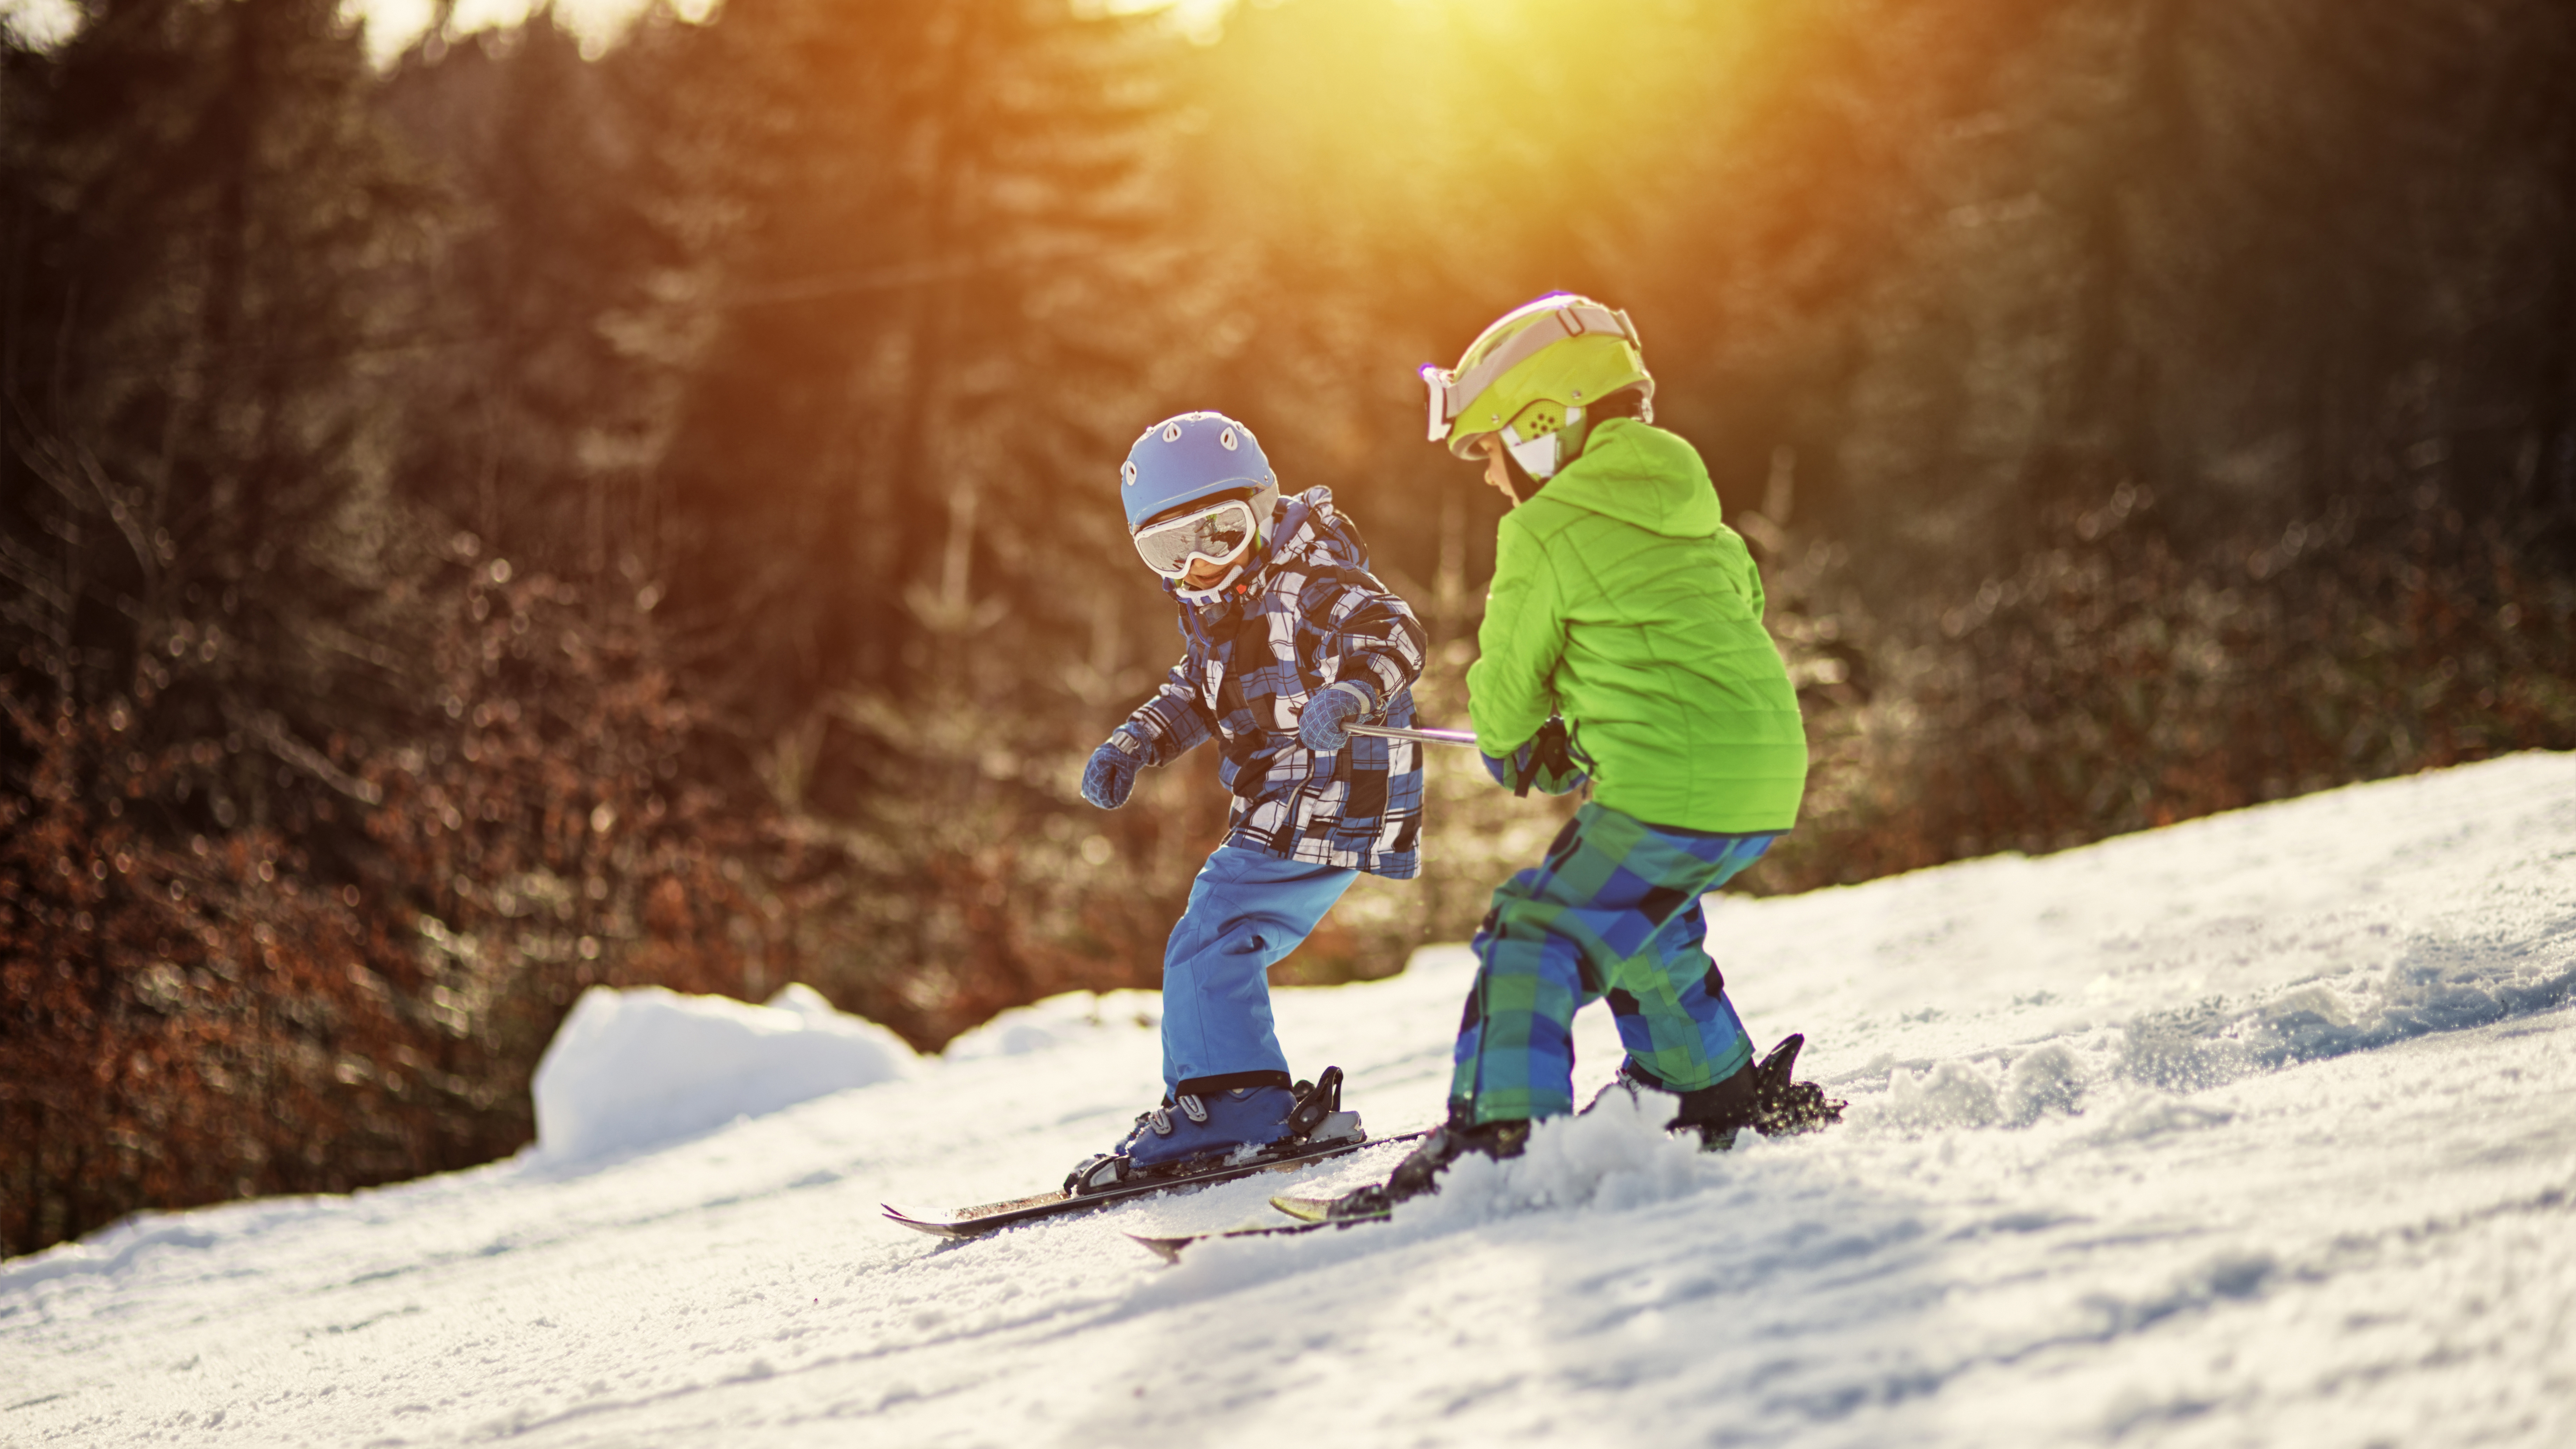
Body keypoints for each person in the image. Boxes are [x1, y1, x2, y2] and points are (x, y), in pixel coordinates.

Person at [1348, 294, 1839, 1214]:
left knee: (1539, 932)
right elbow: (1718, 620)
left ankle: (1500, 1142)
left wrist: (1517, 740)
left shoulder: (1546, 526)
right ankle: (1705, 1087)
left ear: (1544, 428)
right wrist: (1599, 721)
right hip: (1766, 767)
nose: (1492, 478)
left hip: (1675, 778)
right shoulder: (1693, 509)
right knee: (1638, 922)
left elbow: (1508, 674)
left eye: (1492, 451)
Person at [1066, 410, 1428, 1194]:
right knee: (1219, 929)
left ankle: (1231, 1101)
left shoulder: (1311, 580)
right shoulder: (1219, 607)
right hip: (1291, 791)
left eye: (1219, 534)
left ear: (1263, 510)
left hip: (1336, 782)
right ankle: (1219, 1095)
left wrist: (1356, 689)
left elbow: (1391, 630)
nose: (1197, 566)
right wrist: (1134, 745)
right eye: (1168, 550)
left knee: (1216, 925)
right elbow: (1192, 693)